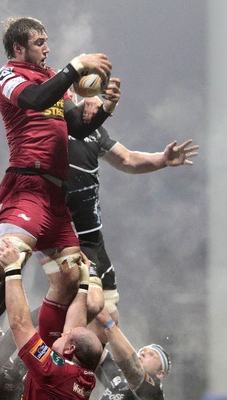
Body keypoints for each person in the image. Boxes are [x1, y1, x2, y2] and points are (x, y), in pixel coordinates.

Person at [0, 15, 120, 335]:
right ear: (18, 48)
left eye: (47, 41)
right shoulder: (9, 74)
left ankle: (40, 354)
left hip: (54, 194)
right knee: (3, 268)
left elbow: (79, 126)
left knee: (71, 281)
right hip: (26, 182)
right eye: (39, 42)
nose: (47, 48)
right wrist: (74, 66)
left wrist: (107, 107)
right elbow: (35, 100)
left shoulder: (50, 78)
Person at [65, 85, 199, 335]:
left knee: (111, 321)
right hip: (65, 235)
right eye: (64, 89)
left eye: (72, 90)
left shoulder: (93, 130)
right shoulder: (49, 123)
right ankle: (32, 362)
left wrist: (163, 160)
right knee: (90, 305)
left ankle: (84, 371)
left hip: (92, 236)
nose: (68, 94)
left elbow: (127, 159)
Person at [0, 236, 104, 399]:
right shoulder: (86, 379)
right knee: (70, 284)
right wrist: (83, 285)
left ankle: (38, 235)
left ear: (70, 348)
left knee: (75, 291)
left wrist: (12, 269)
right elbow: (75, 328)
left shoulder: (54, 372)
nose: (63, 333)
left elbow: (20, 324)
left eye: (66, 336)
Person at [95, 307, 171, 399]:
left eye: (151, 355)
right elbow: (94, 349)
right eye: (142, 351)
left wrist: (110, 324)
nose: (142, 353)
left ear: (160, 374)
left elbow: (134, 369)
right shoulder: (119, 378)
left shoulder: (154, 391)